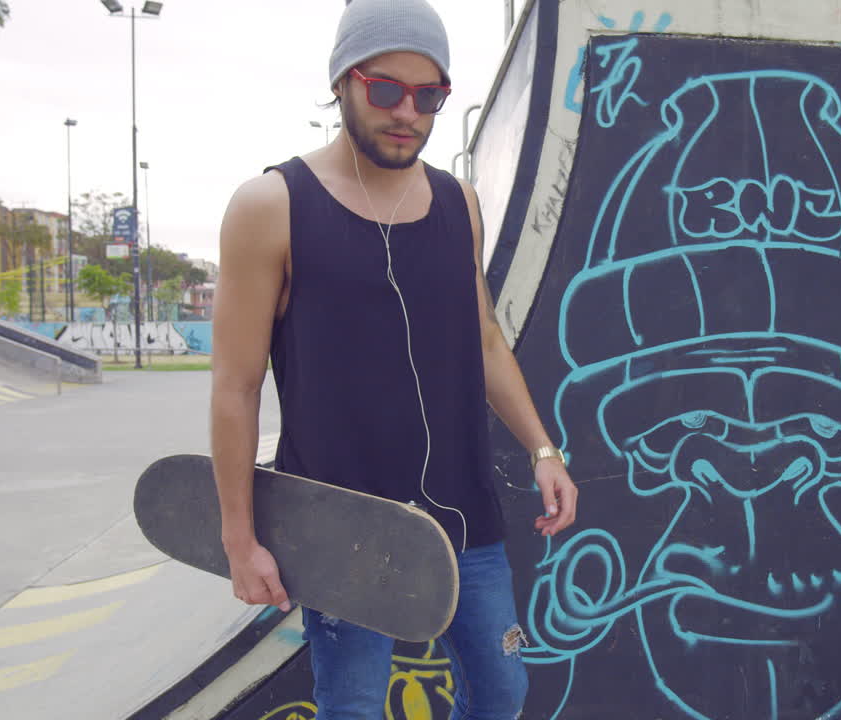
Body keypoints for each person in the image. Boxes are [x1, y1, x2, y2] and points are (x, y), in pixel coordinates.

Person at [208, 0, 578, 717]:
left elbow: (486, 339)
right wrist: (239, 535)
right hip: (341, 522)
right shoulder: (272, 205)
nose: (408, 112)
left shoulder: (457, 202)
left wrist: (542, 448)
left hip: (463, 514)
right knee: (351, 706)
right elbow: (235, 384)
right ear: (345, 81)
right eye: (386, 90)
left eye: (430, 96)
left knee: (503, 693)